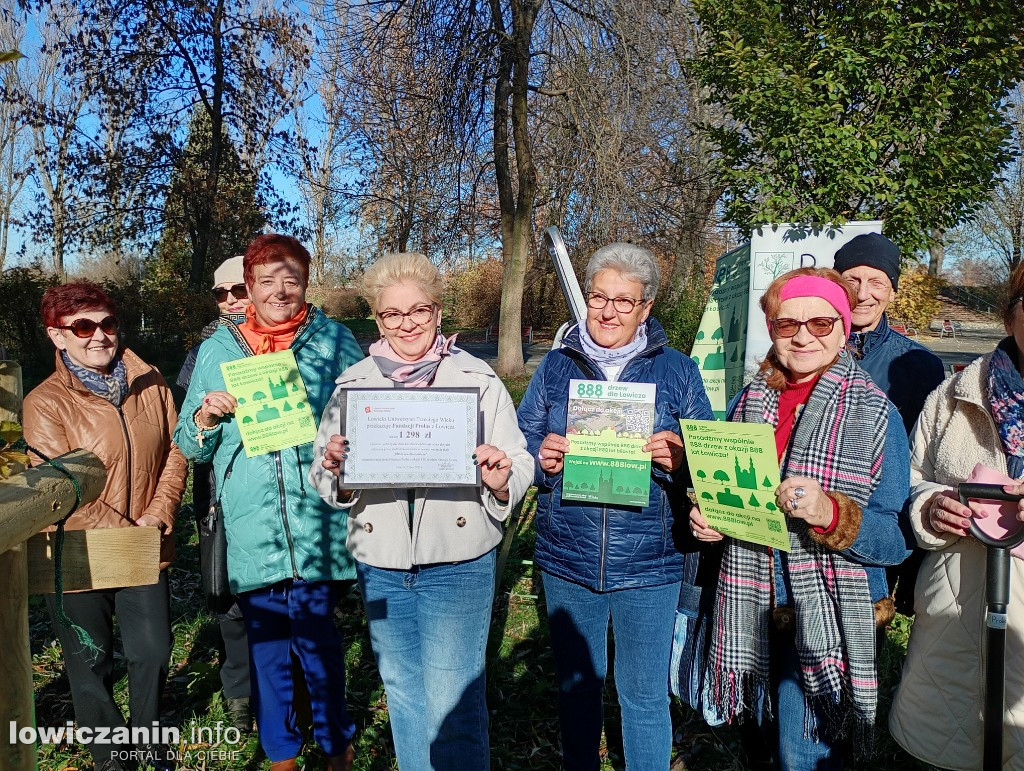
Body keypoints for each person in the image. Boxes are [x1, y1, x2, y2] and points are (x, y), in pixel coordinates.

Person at [309, 252, 532, 769]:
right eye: (393, 314)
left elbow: (518, 460)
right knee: (404, 695)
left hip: (458, 560)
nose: (407, 324)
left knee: (454, 701)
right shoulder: (352, 386)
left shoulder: (478, 380)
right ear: (377, 318)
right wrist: (336, 469)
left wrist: (501, 479)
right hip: (381, 561)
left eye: (419, 311)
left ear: (438, 312)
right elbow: (321, 477)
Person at [689, 267, 911, 770]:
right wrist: (710, 517)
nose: (805, 336)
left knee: (803, 754)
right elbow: (730, 491)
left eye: (822, 323)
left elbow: (897, 538)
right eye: (789, 325)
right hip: (749, 604)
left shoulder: (878, 415)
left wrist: (832, 514)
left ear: (845, 327)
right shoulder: (749, 403)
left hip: (826, 615)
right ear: (772, 330)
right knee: (763, 745)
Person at [516, 243, 714, 769]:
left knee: (644, 697)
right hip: (568, 557)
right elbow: (520, 447)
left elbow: (712, 463)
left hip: (650, 562)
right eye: (599, 298)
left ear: (645, 308)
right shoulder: (557, 367)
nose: (608, 312)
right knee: (576, 688)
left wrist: (680, 456)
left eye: (624, 302)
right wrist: (541, 458)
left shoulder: (678, 372)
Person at [174, 235, 364, 771]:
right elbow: (188, 444)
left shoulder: (334, 342)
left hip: (316, 518)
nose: (280, 290)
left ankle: (335, 745)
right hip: (252, 520)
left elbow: (366, 414)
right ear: (249, 287)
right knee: (267, 646)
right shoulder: (217, 350)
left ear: (305, 282)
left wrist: (343, 443)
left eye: (292, 279)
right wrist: (207, 418)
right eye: (267, 280)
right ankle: (280, 752)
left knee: (320, 643)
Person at [24, 281, 187, 771]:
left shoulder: (152, 381)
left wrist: (159, 513)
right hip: (78, 551)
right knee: (90, 663)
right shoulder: (45, 402)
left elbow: (177, 451)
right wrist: (129, 530)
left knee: (153, 653)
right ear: (58, 336)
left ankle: (150, 742)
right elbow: (61, 486)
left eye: (107, 323)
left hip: (147, 540)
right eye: (83, 326)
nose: (99, 336)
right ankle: (111, 759)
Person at [888, 262, 1024, 769]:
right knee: (953, 747)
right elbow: (912, 475)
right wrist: (930, 504)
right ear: (1011, 315)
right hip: (958, 608)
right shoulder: (955, 393)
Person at [833, 232, 946, 615]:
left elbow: (926, 460)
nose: (863, 293)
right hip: (812, 518)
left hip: (880, 529)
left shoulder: (919, 365)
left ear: (893, 292)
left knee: (865, 640)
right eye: (852, 279)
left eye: (877, 281)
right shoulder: (807, 347)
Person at [174, 254, 252, 732]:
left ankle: (286, 691)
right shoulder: (204, 352)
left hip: (280, 492)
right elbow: (187, 431)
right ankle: (239, 693)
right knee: (229, 599)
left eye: (237, 291)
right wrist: (205, 415)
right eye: (220, 294)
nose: (228, 302)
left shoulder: (294, 346)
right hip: (219, 493)